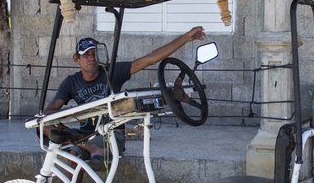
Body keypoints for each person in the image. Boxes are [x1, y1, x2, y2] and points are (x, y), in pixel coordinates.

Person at [44, 27, 206, 163]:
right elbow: (50, 110)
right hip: (85, 136)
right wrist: (61, 122)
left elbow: (150, 59)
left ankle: (88, 147)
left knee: (79, 154)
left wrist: (185, 38)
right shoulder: (71, 82)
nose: (91, 58)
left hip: (112, 134)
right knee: (47, 129)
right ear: (76, 59)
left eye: (94, 54)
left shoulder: (112, 72)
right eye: (86, 55)